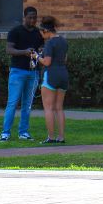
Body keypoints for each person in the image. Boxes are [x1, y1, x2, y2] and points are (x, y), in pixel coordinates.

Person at [0, 6, 44, 142]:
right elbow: (9, 49)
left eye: (35, 18)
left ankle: (23, 132)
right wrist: (24, 52)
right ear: (24, 17)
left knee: (28, 104)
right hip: (17, 71)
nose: (32, 20)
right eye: (30, 17)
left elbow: (41, 50)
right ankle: (5, 133)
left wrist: (40, 53)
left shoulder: (38, 33)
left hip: (33, 72)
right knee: (12, 102)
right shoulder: (15, 31)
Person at [36, 16, 69, 144]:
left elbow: (47, 62)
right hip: (63, 74)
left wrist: (37, 57)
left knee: (48, 108)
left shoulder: (49, 43)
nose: (41, 36)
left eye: (41, 33)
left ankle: (51, 137)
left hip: (51, 75)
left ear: (46, 31)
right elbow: (65, 59)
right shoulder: (63, 41)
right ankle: (61, 137)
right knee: (59, 108)